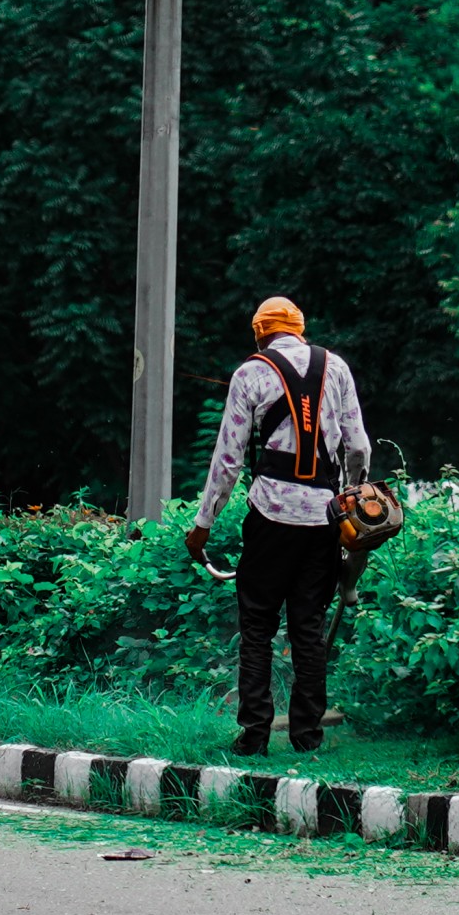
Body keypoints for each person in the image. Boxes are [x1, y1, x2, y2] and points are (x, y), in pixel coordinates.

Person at [184, 295, 370, 755]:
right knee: (308, 627)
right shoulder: (337, 368)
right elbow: (359, 447)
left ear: (260, 332)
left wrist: (203, 525)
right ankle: (307, 736)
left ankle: (254, 736)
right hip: (324, 517)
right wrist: (351, 504)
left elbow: (228, 458)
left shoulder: (251, 372)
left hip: (269, 518)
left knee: (258, 628)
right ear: (299, 330)